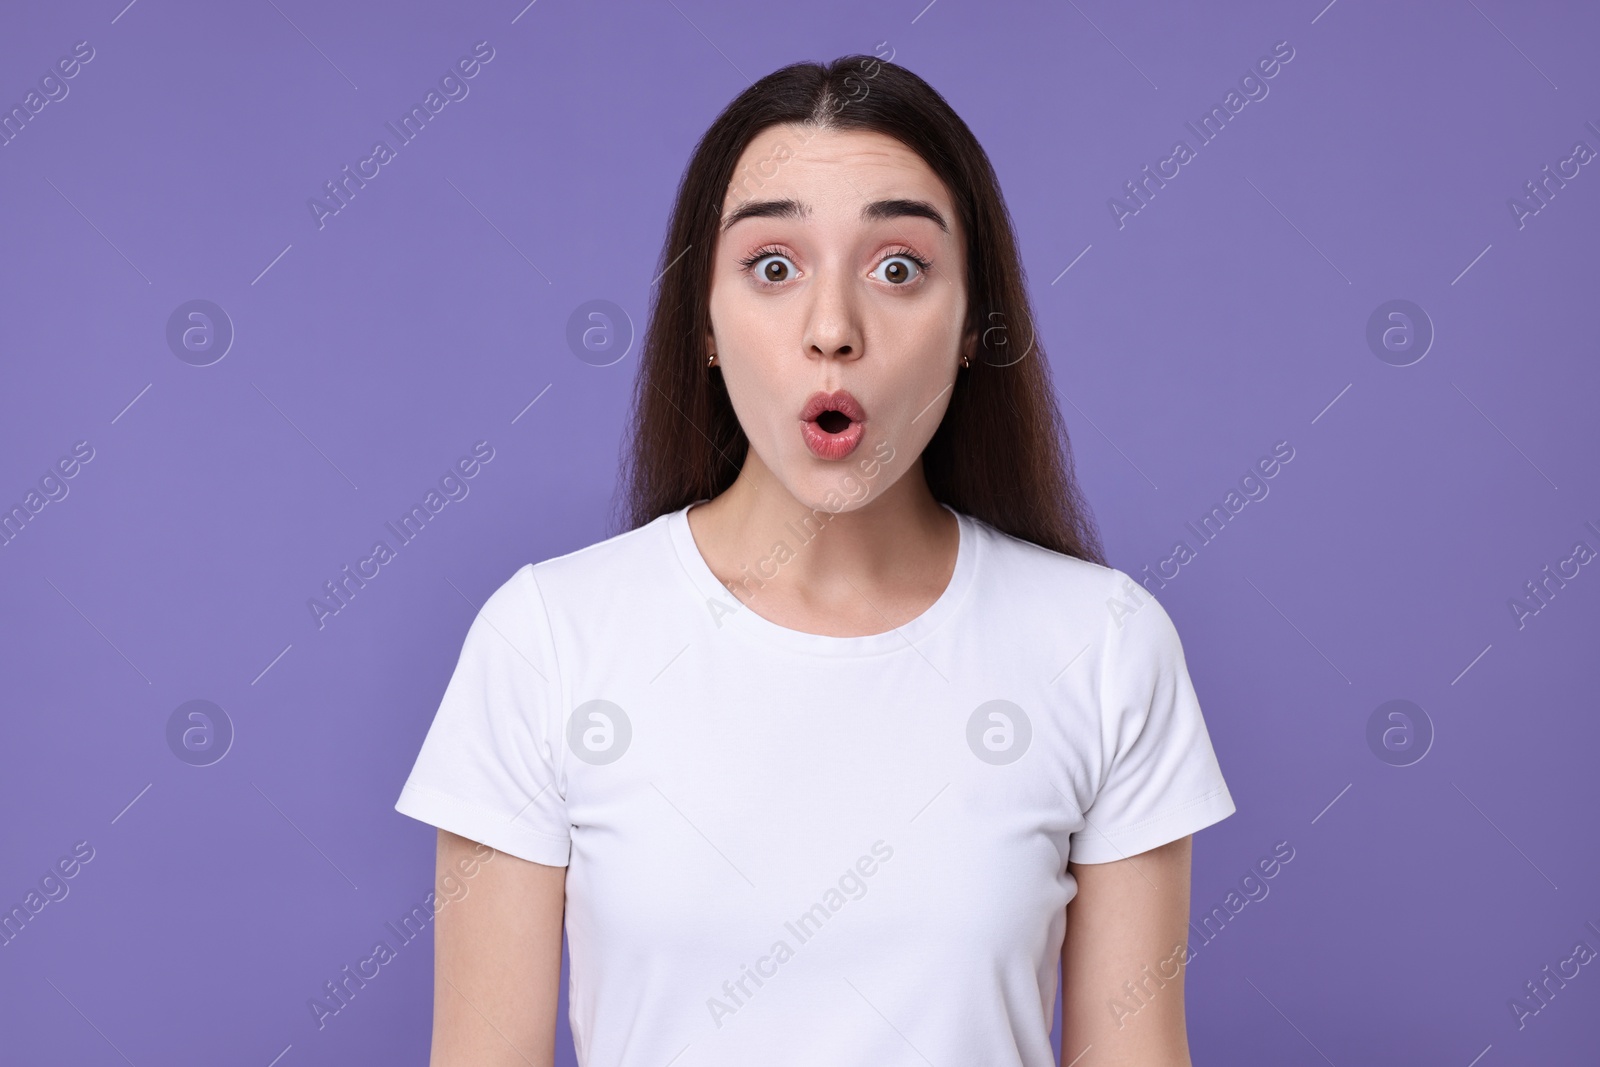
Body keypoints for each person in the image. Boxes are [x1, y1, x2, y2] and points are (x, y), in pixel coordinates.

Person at [394, 53, 1235, 1067]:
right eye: (774, 266)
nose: (832, 330)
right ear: (702, 322)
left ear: (972, 325)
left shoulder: (1102, 647)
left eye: (897, 267)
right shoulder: (547, 641)